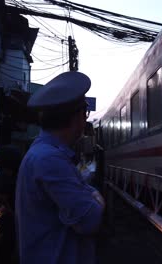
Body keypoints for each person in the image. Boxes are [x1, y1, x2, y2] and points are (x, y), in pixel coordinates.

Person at [16, 72, 105, 264]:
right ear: (77, 119)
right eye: (85, 113)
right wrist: (98, 199)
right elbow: (90, 220)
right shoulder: (51, 159)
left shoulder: (42, 153)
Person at [0, 145, 22, 264]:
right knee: (2, 248)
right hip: (3, 217)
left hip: (4, 217)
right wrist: (8, 209)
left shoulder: (9, 174)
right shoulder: (4, 174)